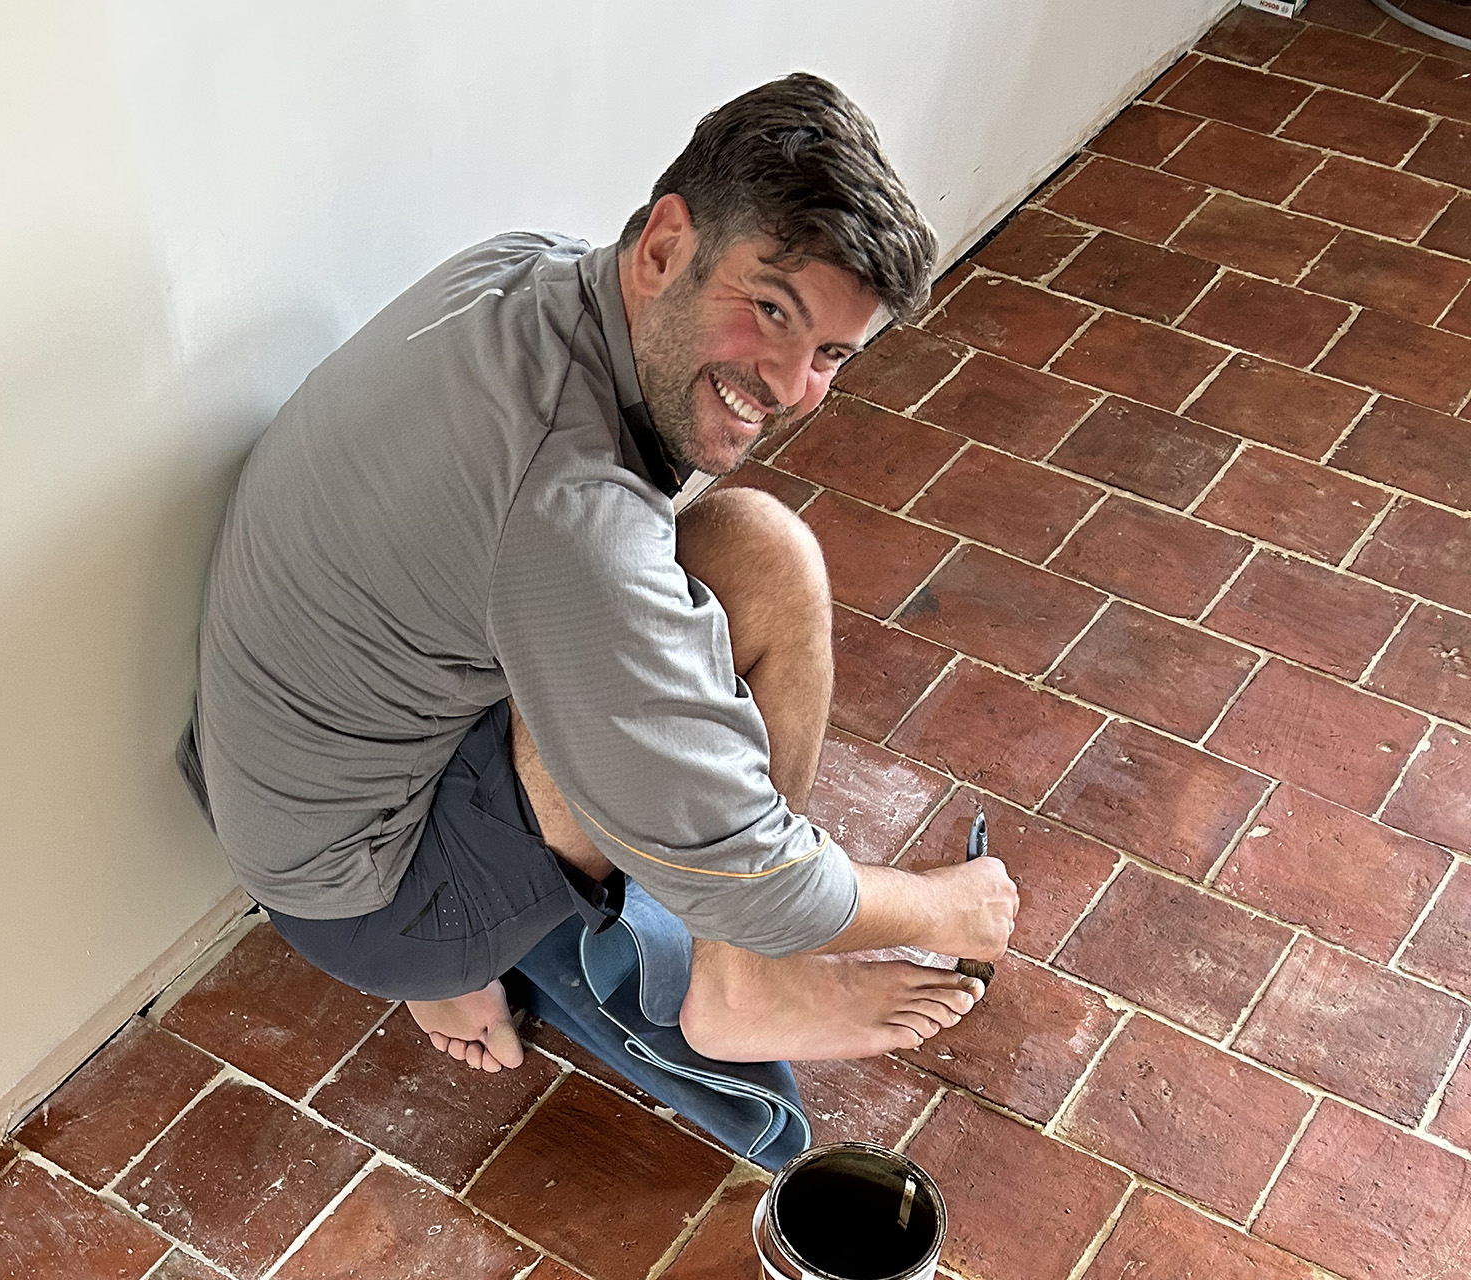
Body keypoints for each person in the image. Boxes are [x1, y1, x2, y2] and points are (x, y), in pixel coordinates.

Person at [179, 72, 1016, 1082]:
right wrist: (943, 904)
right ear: (664, 247)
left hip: (286, 782)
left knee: (743, 545)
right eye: (769, 311)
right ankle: (735, 986)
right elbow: (743, 877)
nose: (792, 388)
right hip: (364, 892)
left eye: (830, 353)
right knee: (743, 600)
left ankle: (470, 945)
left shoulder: (522, 272)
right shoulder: (565, 513)